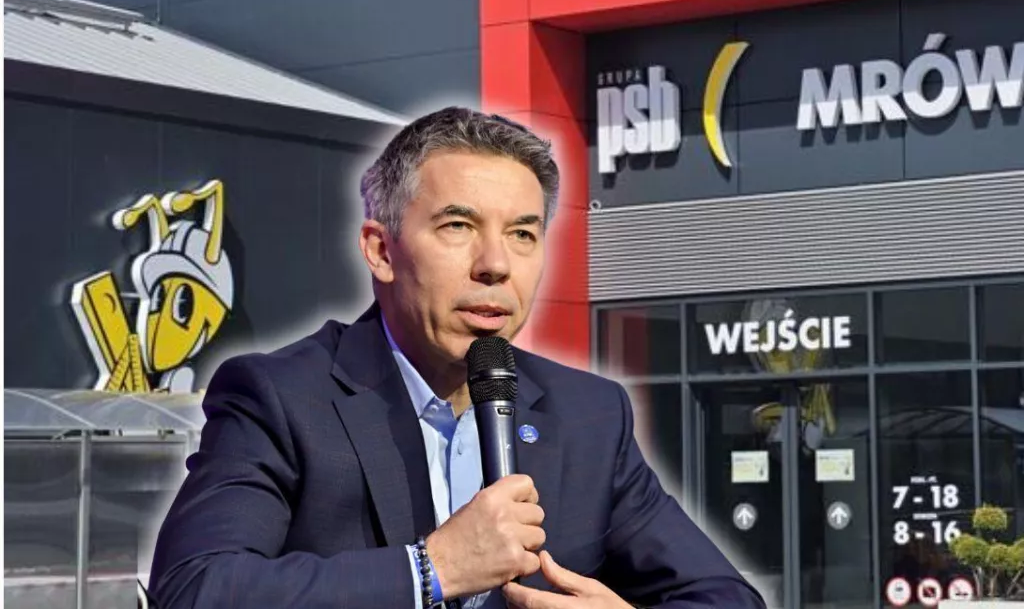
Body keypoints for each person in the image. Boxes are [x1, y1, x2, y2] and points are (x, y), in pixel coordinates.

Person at [148, 107, 766, 609]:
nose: (495, 264)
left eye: (522, 234)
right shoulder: (282, 397)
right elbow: (195, 589)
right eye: (458, 226)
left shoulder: (589, 416)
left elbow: (727, 598)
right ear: (381, 251)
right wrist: (431, 568)